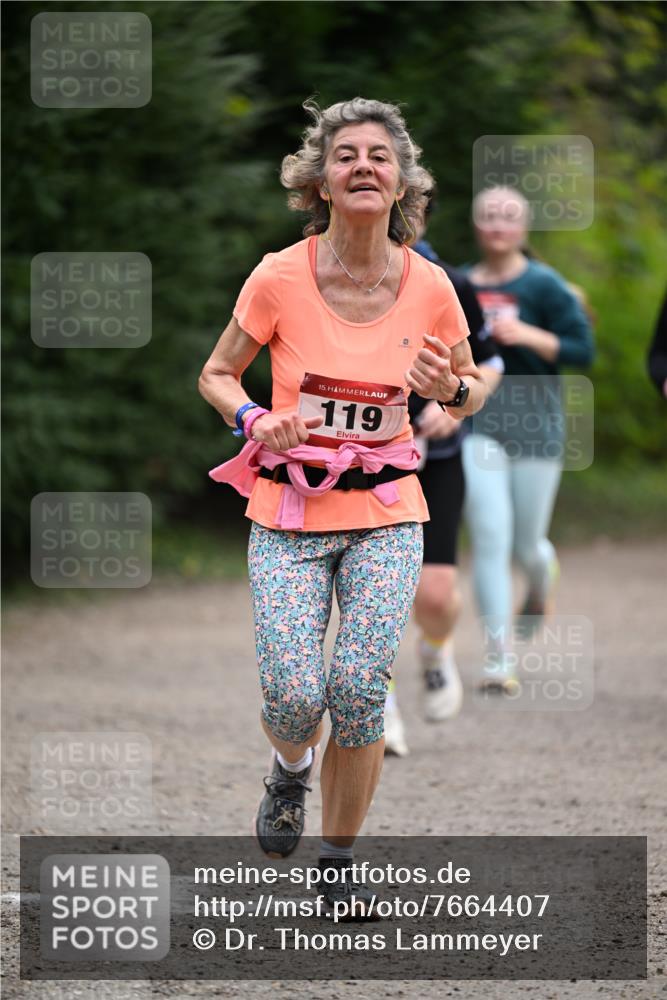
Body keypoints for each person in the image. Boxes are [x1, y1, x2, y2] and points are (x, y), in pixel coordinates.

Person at [198, 97, 490, 914]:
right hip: (287, 513)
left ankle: (336, 859)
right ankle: (289, 772)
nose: (363, 165)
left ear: (401, 183)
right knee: (294, 693)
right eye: (345, 155)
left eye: (379, 156)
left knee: (359, 685)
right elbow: (217, 374)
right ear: (318, 182)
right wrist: (257, 418)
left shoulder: (429, 285)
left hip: (389, 512)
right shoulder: (279, 275)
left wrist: (451, 390)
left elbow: (465, 390)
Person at [383, 195, 504, 757]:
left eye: (413, 204)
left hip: (439, 460)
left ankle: (434, 650)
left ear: (427, 210)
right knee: (371, 594)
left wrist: (450, 405)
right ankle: (375, 708)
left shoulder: (450, 283)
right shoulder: (337, 280)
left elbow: (488, 365)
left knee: (434, 593)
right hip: (366, 461)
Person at [461, 185, 594, 692]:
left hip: (537, 428)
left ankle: (542, 575)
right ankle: (499, 660)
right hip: (480, 425)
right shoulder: (461, 285)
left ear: (524, 227)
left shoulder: (545, 286)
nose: (497, 225)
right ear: (477, 224)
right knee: (490, 537)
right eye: (489, 215)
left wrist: (528, 335)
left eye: (507, 216)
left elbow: (583, 351)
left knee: (525, 546)